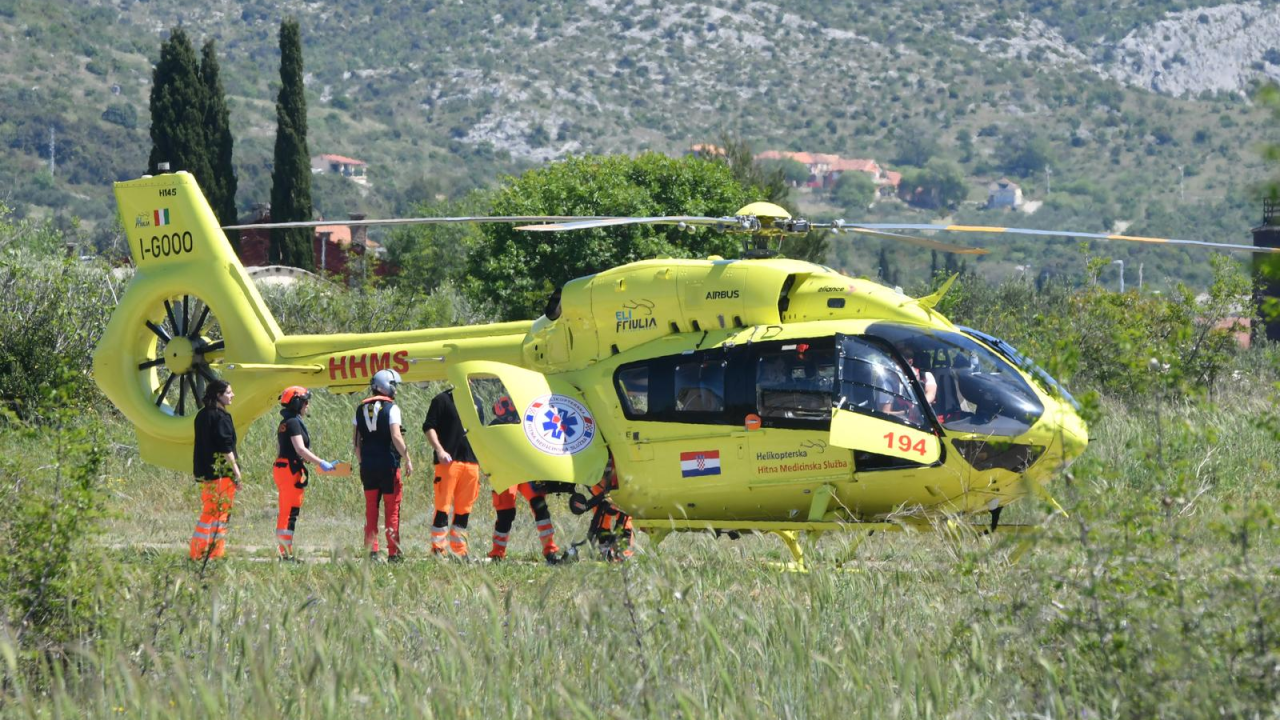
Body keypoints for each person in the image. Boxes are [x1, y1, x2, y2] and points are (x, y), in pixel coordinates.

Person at [485, 396, 561, 564]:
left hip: (526, 472)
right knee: (506, 514)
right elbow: (484, 453)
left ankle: (550, 551)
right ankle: (497, 553)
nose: (512, 421)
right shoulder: (493, 428)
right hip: (505, 473)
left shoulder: (527, 422)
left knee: (540, 508)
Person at [273, 386, 337, 561]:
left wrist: (307, 460)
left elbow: (281, 448)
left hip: (285, 467)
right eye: (305, 401)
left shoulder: (286, 422)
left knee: (288, 511)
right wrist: (320, 462)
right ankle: (285, 555)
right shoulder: (293, 422)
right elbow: (300, 449)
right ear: (296, 403)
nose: (307, 404)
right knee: (288, 512)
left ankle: (286, 552)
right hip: (289, 469)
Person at [354, 369, 413, 562]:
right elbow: (396, 436)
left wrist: (363, 462)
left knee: (371, 508)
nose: (395, 389)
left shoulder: (359, 409)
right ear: (385, 385)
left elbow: (356, 443)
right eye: (394, 385)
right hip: (388, 465)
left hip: (368, 466)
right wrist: (407, 457)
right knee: (392, 509)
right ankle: (393, 553)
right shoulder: (392, 408)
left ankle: (371, 551)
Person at [423, 387, 481, 558]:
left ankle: (460, 551)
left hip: (471, 463)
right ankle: (438, 550)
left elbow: (481, 434)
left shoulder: (476, 402)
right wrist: (439, 450)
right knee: (443, 507)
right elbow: (428, 427)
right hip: (448, 462)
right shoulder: (442, 400)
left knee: (464, 509)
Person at [190, 380, 240, 562]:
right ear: (218, 395)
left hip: (205, 472)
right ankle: (214, 554)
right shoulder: (221, 417)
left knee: (208, 512)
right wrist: (236, 471)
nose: (232, 395)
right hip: (221, 474)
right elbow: (226, 446)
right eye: (228, 392)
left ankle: (197, 552)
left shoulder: (201, 415)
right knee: (220, 514)